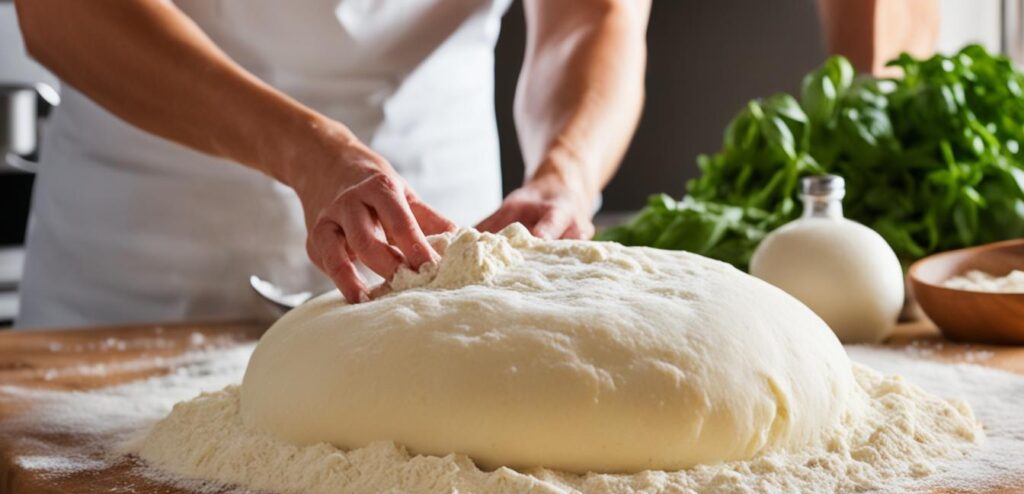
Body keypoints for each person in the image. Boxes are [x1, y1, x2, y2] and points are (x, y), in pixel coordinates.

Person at [13, 0, 650, 327]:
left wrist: (567, 170)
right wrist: (304, 150)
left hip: (438, 244)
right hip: (134, 271)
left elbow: (594, 15)